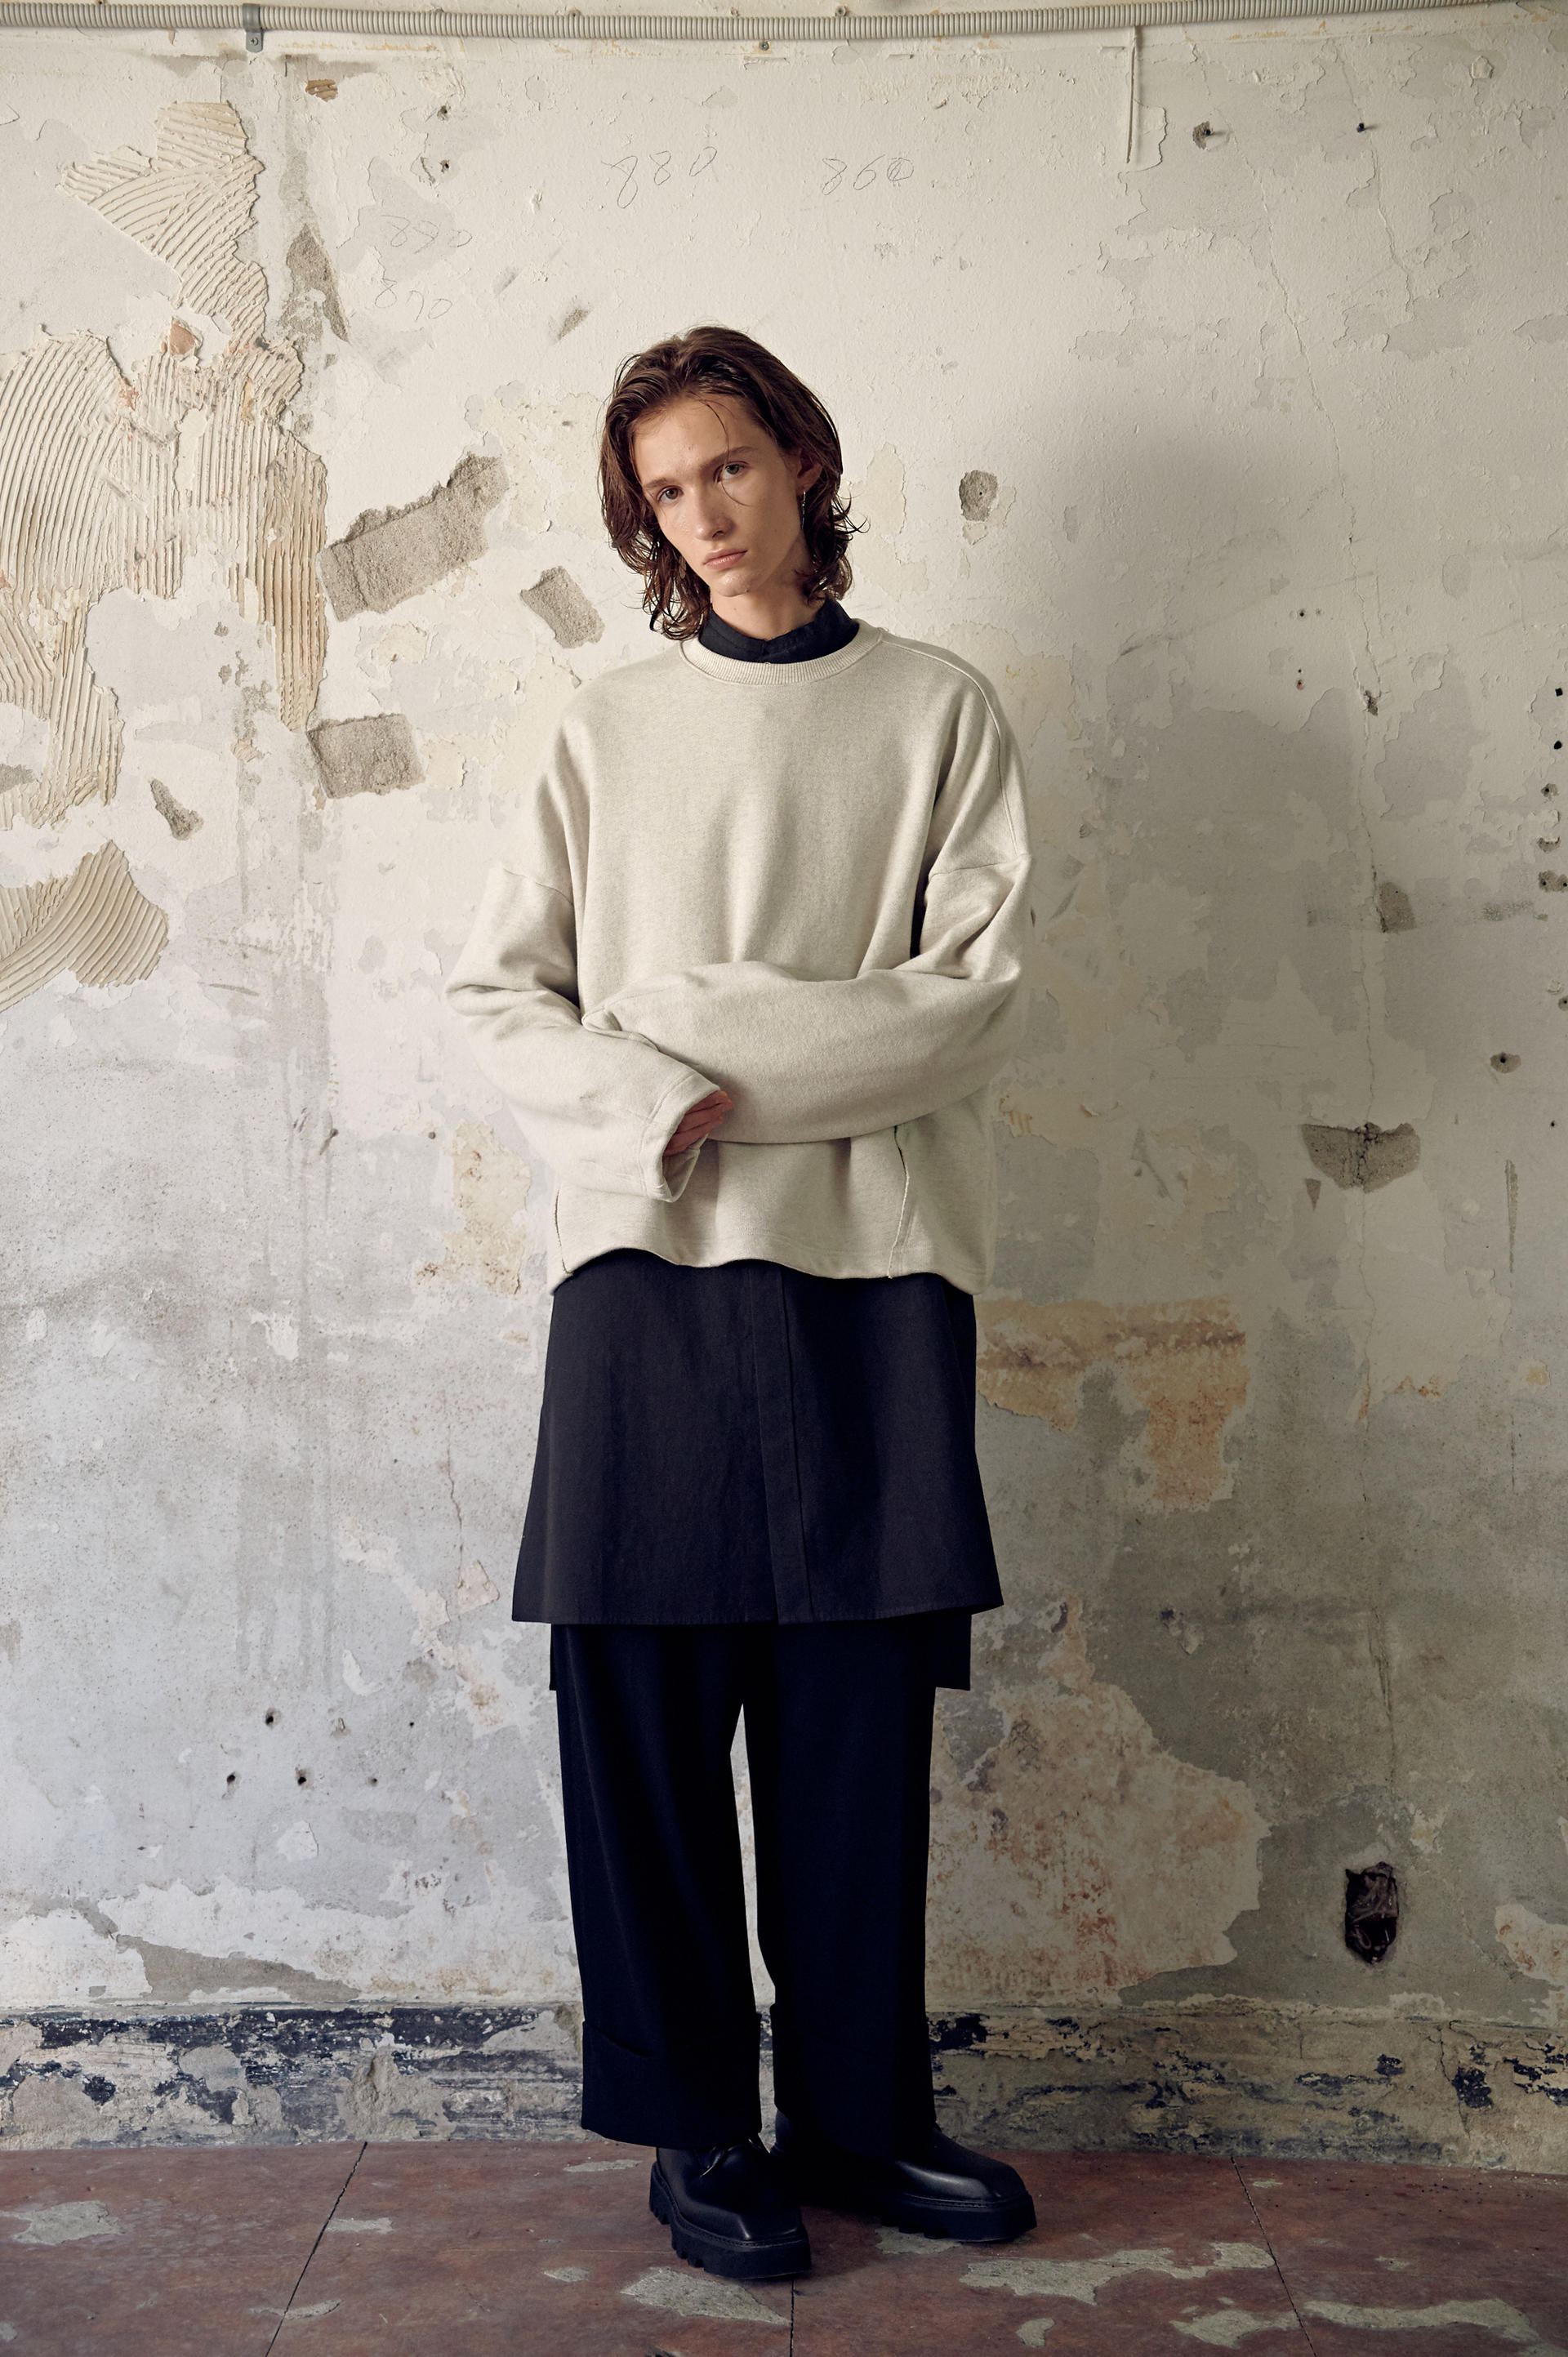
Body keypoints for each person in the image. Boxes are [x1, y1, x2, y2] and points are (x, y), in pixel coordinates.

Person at [444, 323, 1045, 2282]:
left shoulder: (939, 712)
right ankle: (698, 2126)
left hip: (877, 1264)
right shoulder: (602, 732)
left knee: (856, 1716)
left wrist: (692, 1035)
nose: (698, 513)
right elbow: (498, 995)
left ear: (800, 460)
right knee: (637, 1704)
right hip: (648, 1263)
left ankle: (862, 2120)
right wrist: (648, 1097)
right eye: (661, 490)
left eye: (725, 467)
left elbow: (971, 1001)